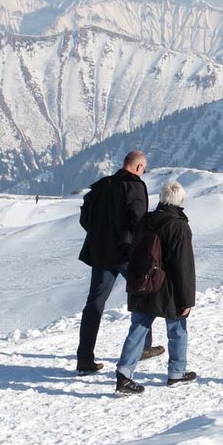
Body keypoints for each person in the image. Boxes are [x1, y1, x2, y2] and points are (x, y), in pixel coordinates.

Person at [75, 150, 159, 374]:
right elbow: (139, 222)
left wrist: (99, 237)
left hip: (100, 254)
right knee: (143, 294)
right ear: (138, 167)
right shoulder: (134, 186)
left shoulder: (101, 186)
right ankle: (143, 347)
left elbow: (85, 218)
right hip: (125, 253)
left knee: (94, 303)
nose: (143, 173)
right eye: (144, 169)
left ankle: (84, 358)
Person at [115, 180, 197, 394]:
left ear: (161, 198)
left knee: (138, 328)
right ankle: (176, 373)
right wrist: (187, 299)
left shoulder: (146, 220)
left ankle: (124, 374)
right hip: (168, 289)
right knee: (177, 330)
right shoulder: (179, 226)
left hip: (142, 283)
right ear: (180, 200)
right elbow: (184, 265)